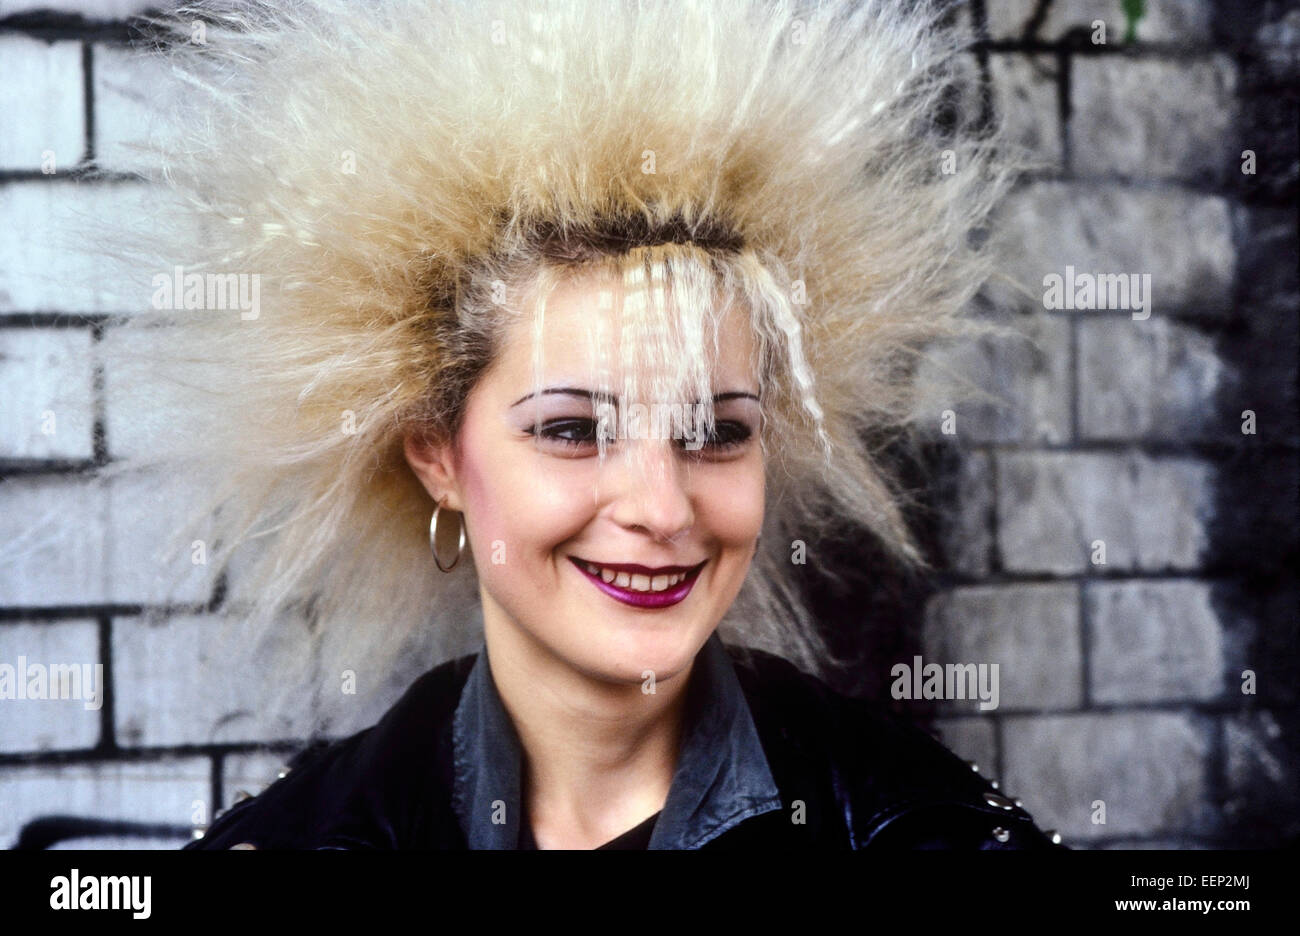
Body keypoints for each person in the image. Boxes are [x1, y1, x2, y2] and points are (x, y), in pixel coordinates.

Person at [110, 0, 1060, 849]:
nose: (661, 506)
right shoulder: (308, 835)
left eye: (718, 431)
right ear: (437, 452)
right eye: (572, 429)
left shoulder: (915, 828)